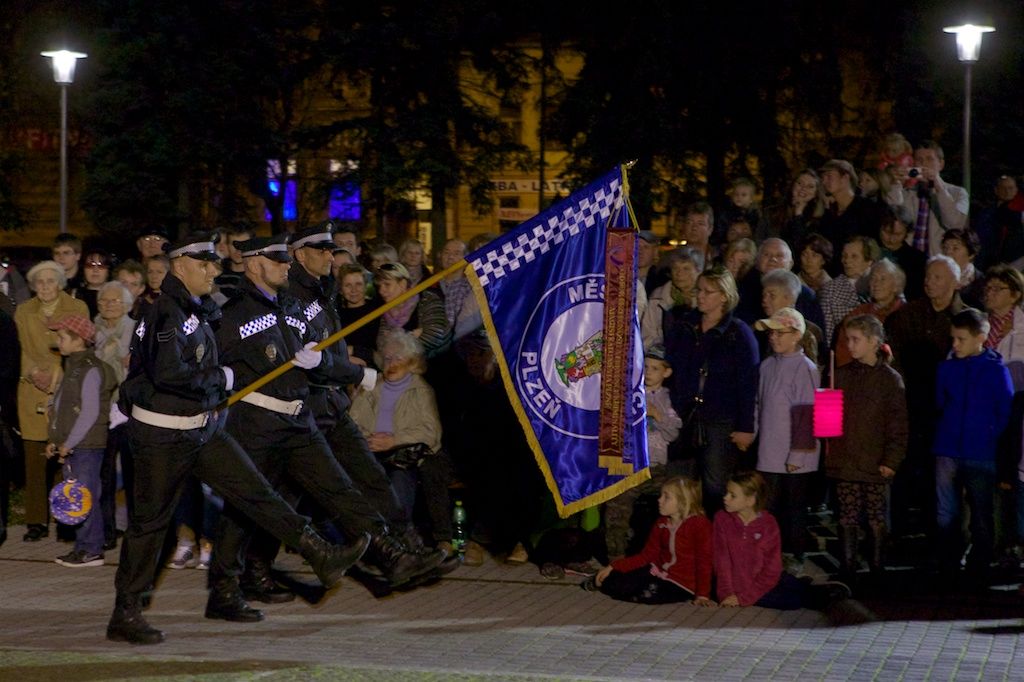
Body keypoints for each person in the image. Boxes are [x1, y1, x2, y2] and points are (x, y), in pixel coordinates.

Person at [108, 232, 370, 645]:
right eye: (204, 264)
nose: (214, 270)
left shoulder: (198, 307)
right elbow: (169, 375)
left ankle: (318, 551)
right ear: (180, 266)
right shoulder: (166, 314)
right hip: (161, 434)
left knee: (256, 492)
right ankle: (126, 611)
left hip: (200, 428)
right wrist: (224, 379)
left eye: (214, 263)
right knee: (150, 525)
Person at [213, 233, 443, 612]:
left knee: (340, 490)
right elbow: (212, 367)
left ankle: (392, 555)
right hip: (256, 422)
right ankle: (226, 587)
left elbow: (312, 356)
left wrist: (334, 369)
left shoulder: (288, 303)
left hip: (298, 418)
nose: (286, 265)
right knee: (245, 509)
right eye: (278, 260)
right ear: (254, 263)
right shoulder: (234, 313)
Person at [350, 331, 456, 552]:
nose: (391, 363)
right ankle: (369, 541)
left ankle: (400, 542)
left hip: (403, 454)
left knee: (401, 478)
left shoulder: (421, 389)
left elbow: (431, 432)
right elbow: (352, 422)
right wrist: (369, 439)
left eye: (398, 358)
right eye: (387, 358)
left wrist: (394, 440)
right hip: (372, 450)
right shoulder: (371, 386)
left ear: (411, 361)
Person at [663, 266, 758, 511]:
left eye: (708, 291)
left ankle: (716, 539)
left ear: (724, 296)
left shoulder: (739, 334)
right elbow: (670, 368)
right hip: (683, 416)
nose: (701, 296)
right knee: (678, 483)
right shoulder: (684, 326)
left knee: (716, 486)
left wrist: (746, 426)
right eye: (699, 290)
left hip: (720, 420)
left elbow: (748, 384)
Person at [884, 255, 966, 535]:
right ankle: (899, 532)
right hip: (910, 403)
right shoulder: (907, 315)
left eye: (938, 277)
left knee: (940, 475)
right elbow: (893, 357)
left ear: (955, 282)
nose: (930, 282)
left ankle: (939, 534)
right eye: (928, 276)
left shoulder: (965, 319)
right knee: (905, 469)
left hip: (947, 410)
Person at [933, 308, 1013, 584]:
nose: (955, 345)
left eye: (961, 339)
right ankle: (948, 562)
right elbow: (940, 402)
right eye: (953, 338)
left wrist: (989, 434)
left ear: (981, 337)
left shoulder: (995, 371)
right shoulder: (947, 367)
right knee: (946, 510)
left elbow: (1005, 411)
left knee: (980, 510)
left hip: (980, 451)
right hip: (948, 448)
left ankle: (980, 564)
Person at [827, 315, 907, 578]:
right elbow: (828, 425)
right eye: (847, 339)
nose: (849, 345)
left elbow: (897, 425)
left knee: (875, 516)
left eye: (855, 340)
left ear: (874, 342)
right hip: (846, 460)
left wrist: (891, 460)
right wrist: (825, 410)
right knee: (847, 515)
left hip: (875, 462)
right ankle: (848, 567)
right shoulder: (840, 375)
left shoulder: (889, 380)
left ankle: (876, 568)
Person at [15, 260, 90, 542]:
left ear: (60, 283)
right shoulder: (23, 311)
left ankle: (66, 520)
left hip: (66, 388)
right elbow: (19, 348)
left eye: (50, 281)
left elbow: (82, 344)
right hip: (31, 388)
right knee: (34, 461)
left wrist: (57, 374)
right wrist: (33, 372)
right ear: (34, 286)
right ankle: (36, 522)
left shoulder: (77, 308)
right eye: (40, 282)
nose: (45, 287)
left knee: (64, 457)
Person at [714, 471, 849, 609]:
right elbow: (722, 560)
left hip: (766, 581)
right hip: (742, 587)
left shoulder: (768, 523)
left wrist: (746, 597)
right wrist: (727, 594)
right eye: (726, 493)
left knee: (787, 583)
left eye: (732, 495)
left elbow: (772, 568)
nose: (725, 498)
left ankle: (819, 589)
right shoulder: (722, 519)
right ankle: (821, 594)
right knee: (792, 601)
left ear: (751, 500)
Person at [45, 315, 117, 567]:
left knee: (83, 495)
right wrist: (55, 439)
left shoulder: (89, 369)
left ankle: (92, 549)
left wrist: (70, 442)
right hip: (76, 443)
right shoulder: (73, 367)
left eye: (63, 337)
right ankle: (84, 547)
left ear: (79, 341)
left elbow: (90, 412)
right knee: (77, 495)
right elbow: (62, 408)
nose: (58, 341)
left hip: (86, 445)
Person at [603, 344, 683, 558]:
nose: (648, 372)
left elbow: (673, 431)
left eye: (655, 368)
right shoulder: (629, 392)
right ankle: (616, 557)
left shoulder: (667, 399)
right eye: (646, 367)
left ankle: (667, 553)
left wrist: (659, 416)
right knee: (617, 508)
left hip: (656, 467)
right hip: (630, 465)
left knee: (673, 501)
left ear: (666, 372)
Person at [753, 308, 820, 561]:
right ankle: (770, 557)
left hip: (795, 456)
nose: (774, 337)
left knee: (793, 510)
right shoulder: (767, 366)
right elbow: (759, 405)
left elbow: (807, 412)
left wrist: (797, 455)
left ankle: (795, 557)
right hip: (769, 451)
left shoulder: (805, 368)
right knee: (768, 508)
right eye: (772, 333)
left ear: (796, 335)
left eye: (781, 332)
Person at [590, 477, 713, 605]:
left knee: (646, 593)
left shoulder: (699, 525)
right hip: (657, 573)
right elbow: (647, 555)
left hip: (682, 583)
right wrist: (613, 566)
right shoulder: (662, 522)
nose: (659, 500)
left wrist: (703, 594)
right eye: (661, 496)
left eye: (667, 497)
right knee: (615, 581)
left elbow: (704, 562)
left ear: (683, 502)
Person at [93, 281, 137, 549]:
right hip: (100, 409)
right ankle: (107, 533)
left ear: (127, 305)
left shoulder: (134, 330)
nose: (108, 305)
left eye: (114, 301)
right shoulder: (92, 330)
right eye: (103, 301)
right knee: (104, 475)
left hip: (128, 409)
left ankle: (135, 532)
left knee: (133, 475)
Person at [884, 140, 969, 257]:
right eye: (919, 160)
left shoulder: (958, 193)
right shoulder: (907, 193)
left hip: (939, 261)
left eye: (929, 159)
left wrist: (938, 186)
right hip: (909, 260)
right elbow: (894, 218)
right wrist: (896, 184)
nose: (924, 164)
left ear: (941, 164)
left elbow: (954, 224)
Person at [734, 238, 825, 334]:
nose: (773, 259)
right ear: (757, 261)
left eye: (779, 256)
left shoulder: (805, 295)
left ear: (791, 263)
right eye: (767, 255)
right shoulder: (743, 290)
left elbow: (817, 336)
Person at [833, 259, 905, 368]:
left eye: (882, 279)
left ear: (896, 286)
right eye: (873, 279)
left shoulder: (906, 314)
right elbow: (843, 349)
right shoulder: (859, 313)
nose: (876, 284)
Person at [375, 261, 451, 361]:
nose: (381, 291)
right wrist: (411, 335)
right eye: (379, 286)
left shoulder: (427, 299)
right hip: (404, 367)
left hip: (438, 364)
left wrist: (397, 342)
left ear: (402, 284)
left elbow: (434, 337)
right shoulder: (386, 310)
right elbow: (381, 344)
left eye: (387, 285)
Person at [817, 160, 882, 271]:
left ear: (845, 178)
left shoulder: (867, 208)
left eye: (829, 176)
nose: (824, 181)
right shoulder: (829, 211)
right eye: (823, 177)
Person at [818, 236, 879, 342]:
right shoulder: (831, 289)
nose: (847, 261)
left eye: (854, 256)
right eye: (844, 256)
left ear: (869, 260)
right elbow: (827, 333)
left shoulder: (883, 284)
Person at [641, 247, 702, 349]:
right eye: (675, 268)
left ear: (698, 271)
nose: (679, 273)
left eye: (686, 268)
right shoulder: (658, 297)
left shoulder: (707, 296)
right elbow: (648, 334)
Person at [982, 264, 1024, 391]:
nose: (989, 293)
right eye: (988, 288)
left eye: (997, 289)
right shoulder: (978, 323)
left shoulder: (1021, 327)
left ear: (1015, 295)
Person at [766, 169, 826, 249]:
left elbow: (800, 245)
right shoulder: (770, 213)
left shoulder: (819, 221)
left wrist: (798, 213)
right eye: (800, 183)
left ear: (816, 193)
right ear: (793, 185)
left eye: (810, 186)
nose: (803, 188)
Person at [337, 264, 382, 367]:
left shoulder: (378, 310)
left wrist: (355, 350)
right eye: (348, 285)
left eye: (358, 284)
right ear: (340, 290)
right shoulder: (335, 316)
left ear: (366, 285)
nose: (354, 290)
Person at [877, 207, 925, 301]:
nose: (891, 239)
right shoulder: (869, 251)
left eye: (898, 234)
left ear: (906, 233)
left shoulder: (917, 260)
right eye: (887, 232)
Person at [437, 238, 481, 341]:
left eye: (457, 253)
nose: (450, 257)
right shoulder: (430, 285)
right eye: (446, 252)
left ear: (465, 258)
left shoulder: (472, 288)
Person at [940, 229, 983, 308]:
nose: (948, 252)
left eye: (955, 248)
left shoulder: (982, 283)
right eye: (945, 248)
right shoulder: (935, 277)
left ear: (971, 254)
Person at [72, 249, 113, 318]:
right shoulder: (73, 295)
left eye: (101, 265)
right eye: (90, 265)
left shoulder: (116, 295)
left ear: (108, 270)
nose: (95, 270)